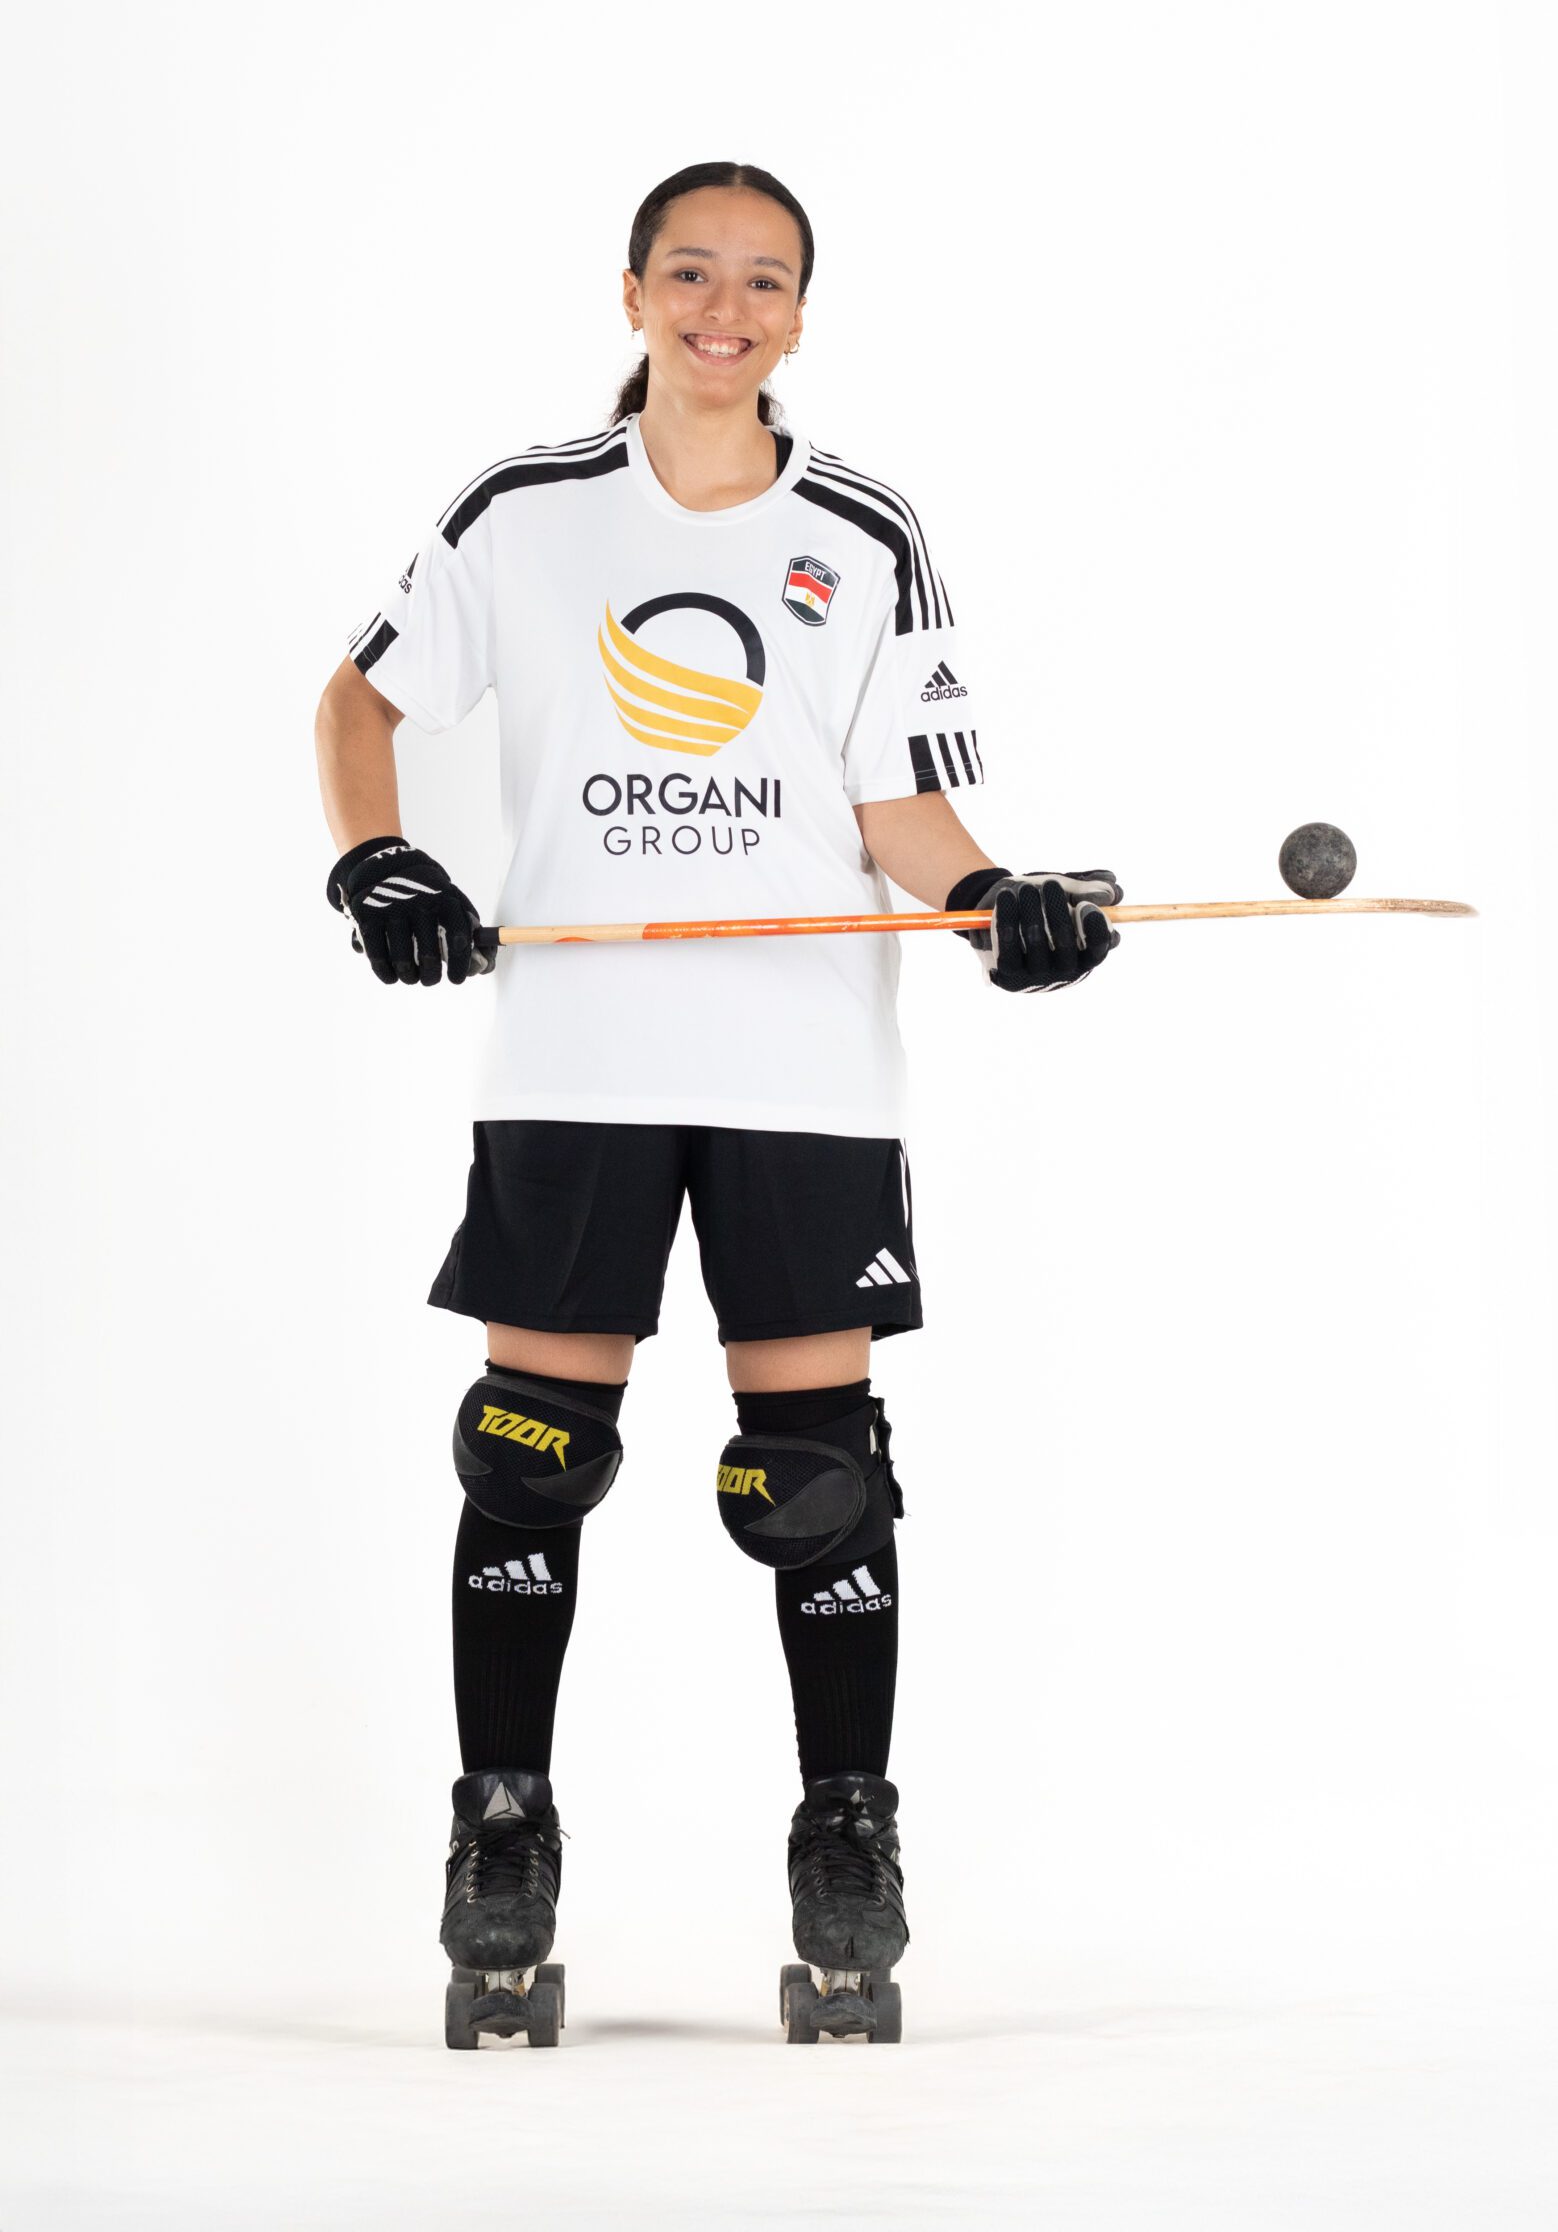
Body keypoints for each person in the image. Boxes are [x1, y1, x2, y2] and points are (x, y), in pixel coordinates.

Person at [314, 160, 1122, 2047]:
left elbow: (901, 805)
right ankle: (500, 1838)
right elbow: (357, 704)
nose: (722, 309)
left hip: (800, 1069)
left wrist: (997, 903)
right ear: (631, 294)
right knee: (529, 1451)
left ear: (800, 316)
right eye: (690, 272)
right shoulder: (525, 510)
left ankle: (846, 1844)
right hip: (575, 1062)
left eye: (762, 280)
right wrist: (377, 861)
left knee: (815, 1474)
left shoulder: (863, 531)